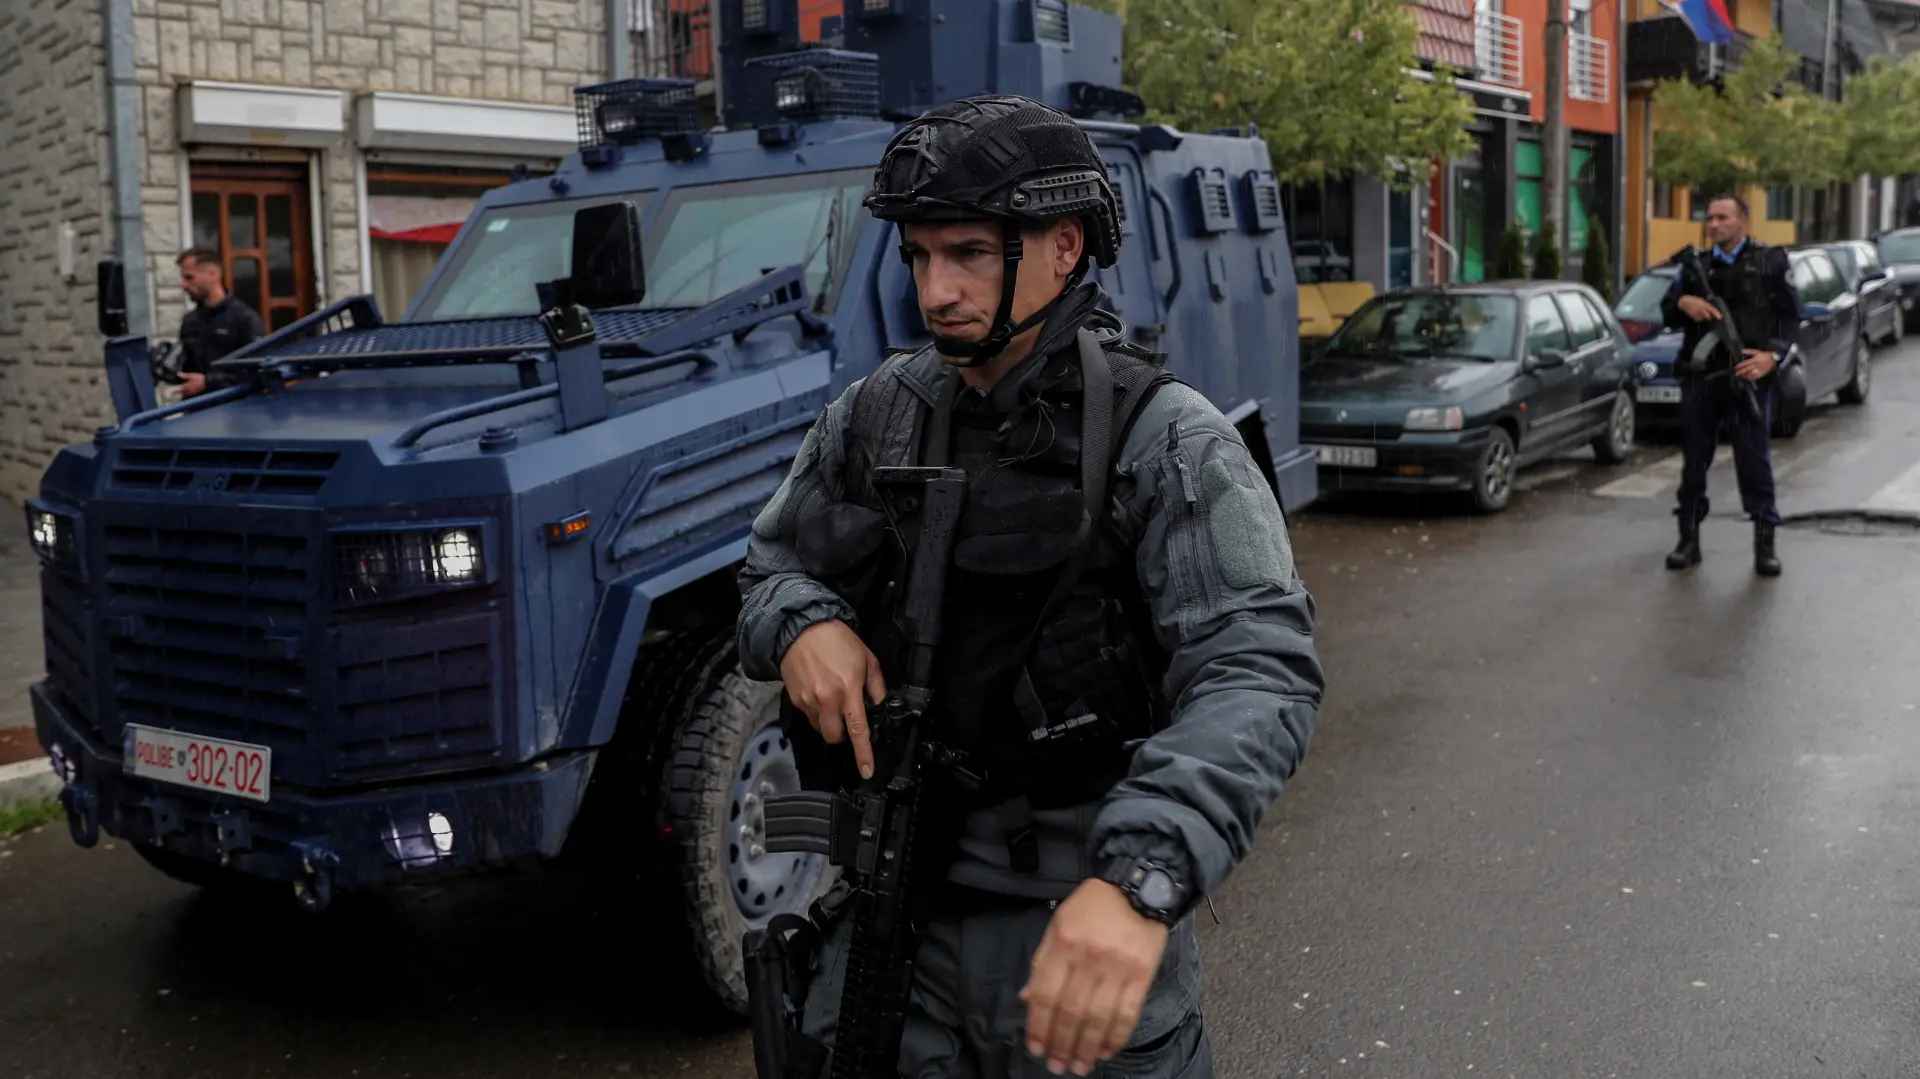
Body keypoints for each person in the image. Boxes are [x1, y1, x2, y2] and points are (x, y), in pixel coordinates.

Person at [736, 94, 1325, 1078]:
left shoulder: (1163, 437)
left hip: (1072, 928)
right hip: (895, 919)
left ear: (1062, 246)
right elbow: (766, 562)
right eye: (920, 256)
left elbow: (1259, 672)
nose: (936, 290)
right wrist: (802, 622)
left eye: (966, 252)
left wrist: (1140, 878)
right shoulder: (877, 413)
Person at [1659, 194, 1798, 577]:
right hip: (1701, 379)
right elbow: (1667, 312)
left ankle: (1765, 545)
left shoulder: (1771, 262)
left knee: (1754, 462)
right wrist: (1684, 302)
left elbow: (1790, 318)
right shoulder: (1695, 266)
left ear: (1743, 222)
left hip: (1748, 378)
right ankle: (1688, 541)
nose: (1714, 224)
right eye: (1710, 218)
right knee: (1694, 464)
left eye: (1723, 217)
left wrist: (1773, 356)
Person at [174, 247, 265, 397]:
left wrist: (208, 382)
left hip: (234, 411)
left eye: (189, 278)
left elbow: (258, 372)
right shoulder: (190, 321)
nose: (184, 285)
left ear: (213, 274)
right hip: (197, 413)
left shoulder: (244, 319)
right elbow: (188, 371)